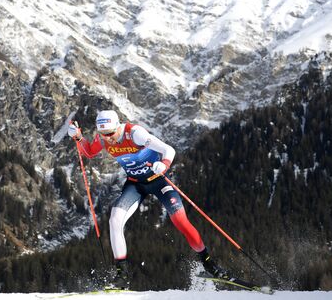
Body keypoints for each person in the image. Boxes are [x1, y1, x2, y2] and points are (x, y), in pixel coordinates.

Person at [68, 110, 226, 289]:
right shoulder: (103, 138)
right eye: (104, 135)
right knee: (115, 220)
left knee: (181, 221)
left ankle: (209, 264)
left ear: (117, 126)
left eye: (111, 133)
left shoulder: (134, 134)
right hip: (135, 184)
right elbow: (88, 152)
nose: (108, 139)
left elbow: (168, 150)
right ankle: (122, 275)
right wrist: (79, 138)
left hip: (158, 181)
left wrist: (164, 164)